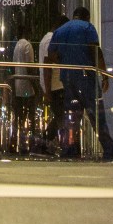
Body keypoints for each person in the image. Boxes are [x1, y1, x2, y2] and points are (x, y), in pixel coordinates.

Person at [48, 7, 113, 160]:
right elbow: (96, 51)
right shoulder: (88, 27)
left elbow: (51, 54)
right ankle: (110, 149)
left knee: (71, 116)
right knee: (96, 114)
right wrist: (105, 76)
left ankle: (69, 149)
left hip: (67, 77)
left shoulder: (60, 30)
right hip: (86, 76)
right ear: (87, 17)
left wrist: (64, 62)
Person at [39, 15, 67, 153]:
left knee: (60, 116)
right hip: (56, 85)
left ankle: (44, 143)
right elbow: (47, 65)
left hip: (52, 85)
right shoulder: (51, 40)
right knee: (62, 117)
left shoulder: (45, 39)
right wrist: (48, 90)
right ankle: (44, 143)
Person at [10, 32, 40, 152]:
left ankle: (16, 141)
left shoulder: (16, 45)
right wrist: (35, 86)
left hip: (18, 84)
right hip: (27, 85)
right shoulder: (28, 45)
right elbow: (30, 66)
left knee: (19, 116)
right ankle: (30, 143)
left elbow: (13, 65)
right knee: (30, 115)